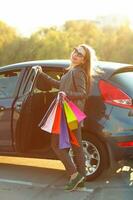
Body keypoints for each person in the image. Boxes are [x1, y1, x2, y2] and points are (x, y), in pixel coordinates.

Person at [38, 44, 97, 191]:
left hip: (69, 114)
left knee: (56, 144)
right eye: (75, 51)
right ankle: (81, 179)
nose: (75, 54)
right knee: (76, 147)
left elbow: (83, 93)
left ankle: (74, 174)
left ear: (84, 60)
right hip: (71, 115)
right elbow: (60, 85)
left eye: (80, 54)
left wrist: (66, 94)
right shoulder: (72, 71)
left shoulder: (78, 72)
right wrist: (43, 75)